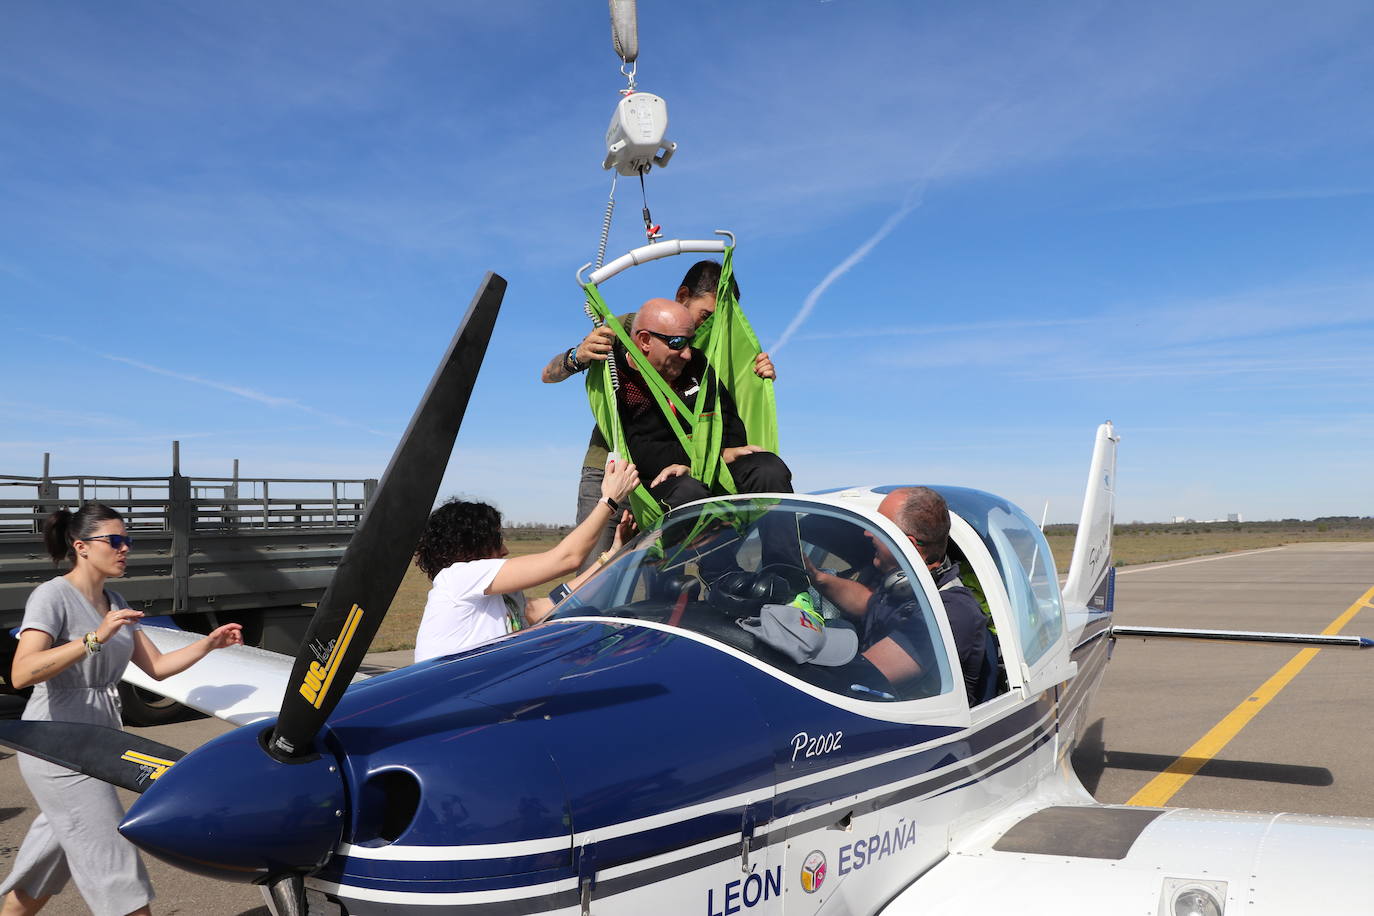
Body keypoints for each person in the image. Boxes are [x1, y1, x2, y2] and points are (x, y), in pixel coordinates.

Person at [1, 504, 244, 916]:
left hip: (100, 743)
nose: (125, 548)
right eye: (115, 540)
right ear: (81, 547)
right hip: (58, 743)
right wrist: (95, 638)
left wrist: (208, 644)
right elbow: (22, 673)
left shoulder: (114, 599)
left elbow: (157, 669)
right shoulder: (52, 596)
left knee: (46, 864)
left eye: (127, 540)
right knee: (116, 869)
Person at [540, 260, 776, 564]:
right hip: (612, 468)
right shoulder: (625, 328)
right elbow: (548, 374)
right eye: (706, 315)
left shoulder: (710, 351)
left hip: (683, 470)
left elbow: (732, 396)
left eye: (719, 320)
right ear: (682, 296)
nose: (709, 326)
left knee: (660, 573)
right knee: (595, 568)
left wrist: (758, 375)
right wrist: (578, 356)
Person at [412, 456, 639, 663]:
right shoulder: (457, 578)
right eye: (496, 540)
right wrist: (609, 500)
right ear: (472, 545)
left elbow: (552, 603)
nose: (505, 550)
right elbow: (567, 559)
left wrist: (610, 555)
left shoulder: (500, 598)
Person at [809, 487, 988, 700]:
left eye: (878, 527)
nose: (867, 533)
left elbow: (863, 674)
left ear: (908, 544)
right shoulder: (904, 586)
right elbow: (868, 602)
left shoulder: (951, 613)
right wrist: (815, 576)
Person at [618, 298, 792, 510]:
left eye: (690, 342)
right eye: (677, 343)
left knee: (768, 468)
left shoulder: (697, 365)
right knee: (688, 492)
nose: (687, 353)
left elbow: (730, 425)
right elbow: (639, 450)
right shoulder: (621, 380)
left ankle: (782, 543)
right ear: (645, 340)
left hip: (715, 465)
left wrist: (704, 461)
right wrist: (704, 457)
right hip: (659, 479)